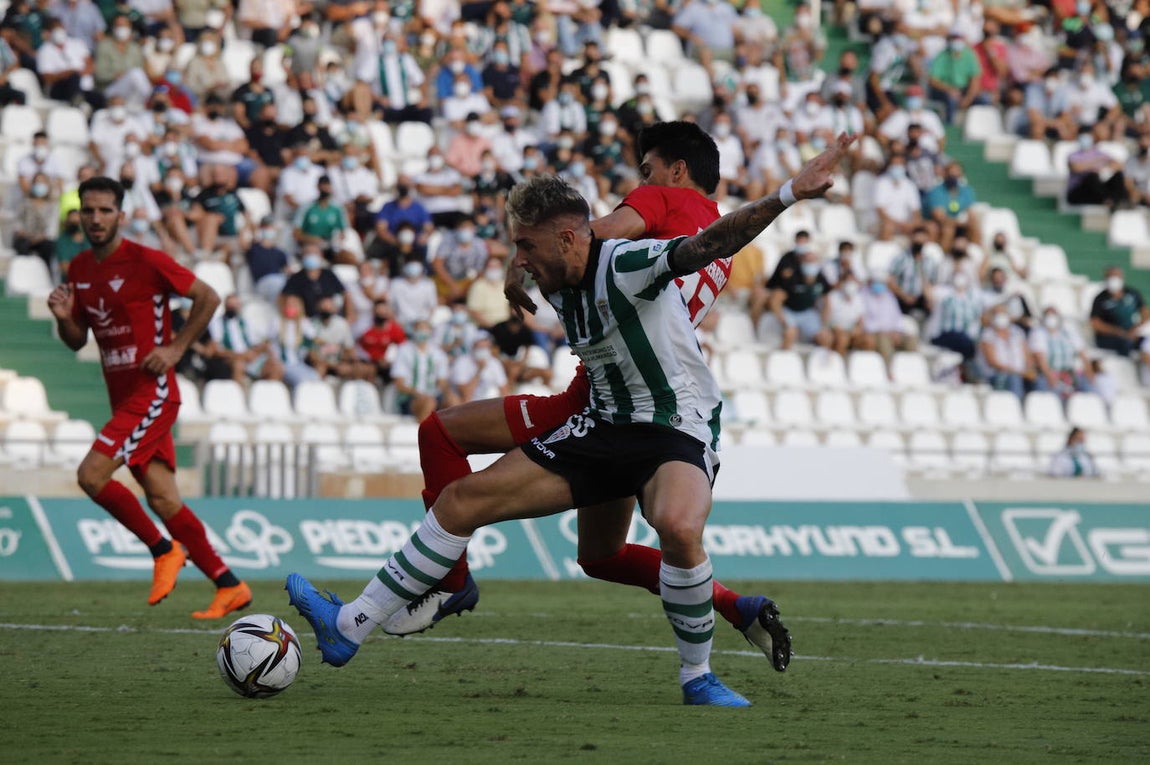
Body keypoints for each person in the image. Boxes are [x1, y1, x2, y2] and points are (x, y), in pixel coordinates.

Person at [285, 140, 850, 707]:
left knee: (677, 526)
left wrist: (786, 196)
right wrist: (522, 259)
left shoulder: (626, 263)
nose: (520, 261)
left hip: (674, 426)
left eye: (525, 248)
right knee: (461, 501)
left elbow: (705, 244)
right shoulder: (557, 274)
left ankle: (697, 677)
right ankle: (349, 626)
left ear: (566, 240)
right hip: (601, 425)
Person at [401, 123, 787, 660]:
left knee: (440, 431)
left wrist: (524, 262)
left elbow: (588, 235)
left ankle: (450, 580)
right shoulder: (717, 239)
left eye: (647, 168)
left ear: (677, 170)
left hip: (595, 400)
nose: (640, 181)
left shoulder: (661, 197)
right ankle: (731, 605)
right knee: (600, 555)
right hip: (639, 398)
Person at [45, 176, 251, 618]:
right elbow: (76, 339)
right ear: (79, 214)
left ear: (121, 215)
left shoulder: (145, 260)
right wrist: (64, 318)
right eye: (89, 210)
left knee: (91, 476)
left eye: (105, 210)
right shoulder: (79, 269)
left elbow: (208, 297)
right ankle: (229, 584)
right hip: (123, 400)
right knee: (162, 498)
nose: (96, 218)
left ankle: (162, 550)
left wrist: (176, 348)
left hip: (152, 393)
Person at [1090, 266, 1148, 357]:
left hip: (1130, 333)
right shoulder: (1100, 299)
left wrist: (1135, 329)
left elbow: (1145, 313)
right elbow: (1095, 323)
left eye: (1116, 276)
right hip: (1109, 337)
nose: (1113, 279)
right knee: (1125, 343)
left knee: (1146, 343)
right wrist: (1118, 332)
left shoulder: (1132, 293)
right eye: (1110, 276)